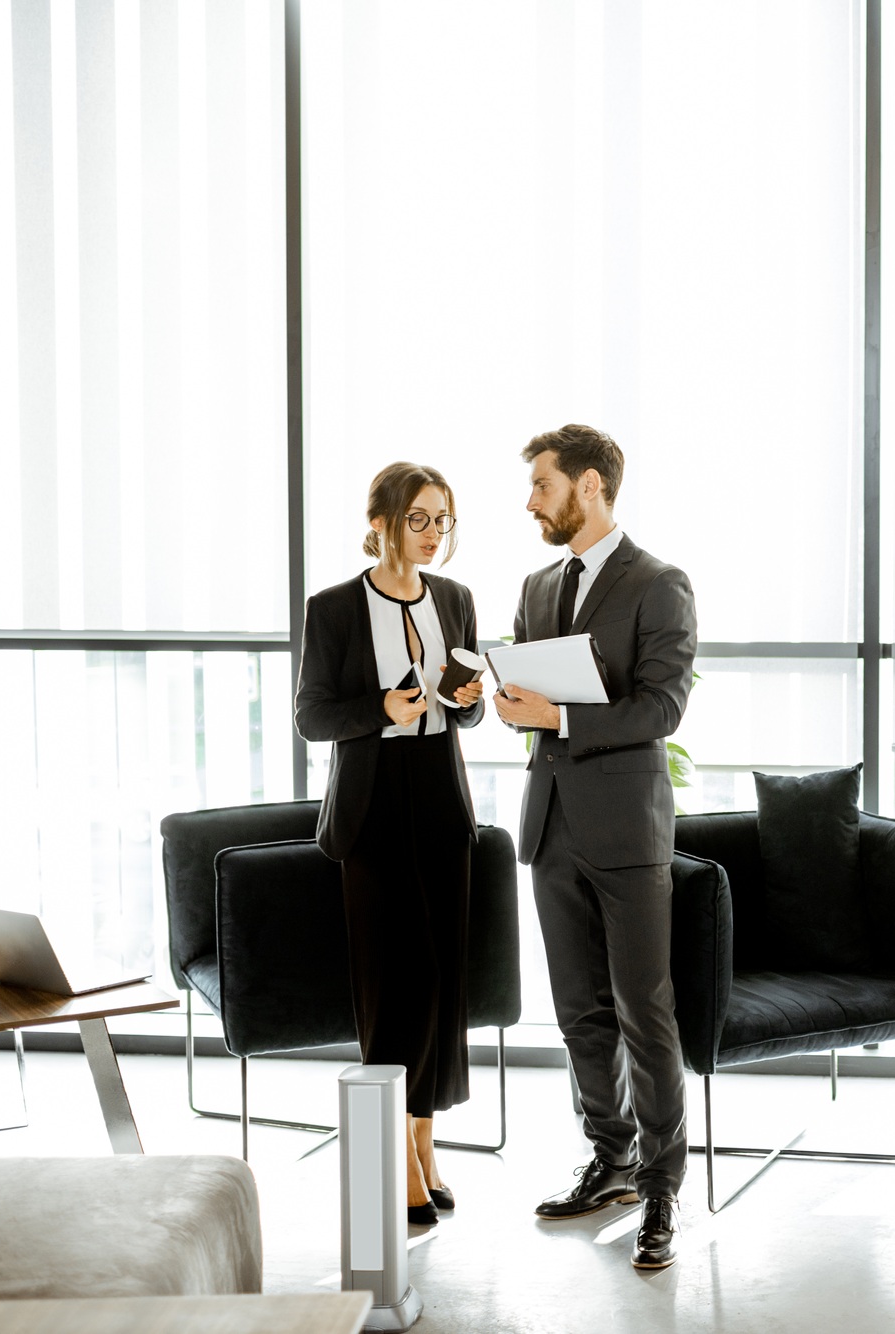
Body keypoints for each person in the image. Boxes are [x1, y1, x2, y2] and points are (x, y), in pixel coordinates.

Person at [493, 424, 696, 1271]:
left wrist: (561, 716)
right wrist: (500, 697)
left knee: (645, 1013)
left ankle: (659, 1189)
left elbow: (663, 708)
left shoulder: (659, 583)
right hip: (553, 825)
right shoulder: (539, 585)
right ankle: (609, 1159)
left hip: (626, 828)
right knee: (579, 1011)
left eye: (541, 484)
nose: (530, 500)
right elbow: (522, 693)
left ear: (589, 486)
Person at [295, 462, 484, 1227]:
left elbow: (461, 714)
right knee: (391, 983)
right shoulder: (335, 607)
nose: (435, 533)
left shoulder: (457, 601)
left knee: (440, 982)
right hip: (373, 804)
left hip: (440, 794)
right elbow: (313, 716)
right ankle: (394, 1158)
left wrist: (464, 701)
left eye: (445, 520)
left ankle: (423, 1143)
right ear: (381, 521)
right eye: (421, 519)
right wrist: (380, 706)